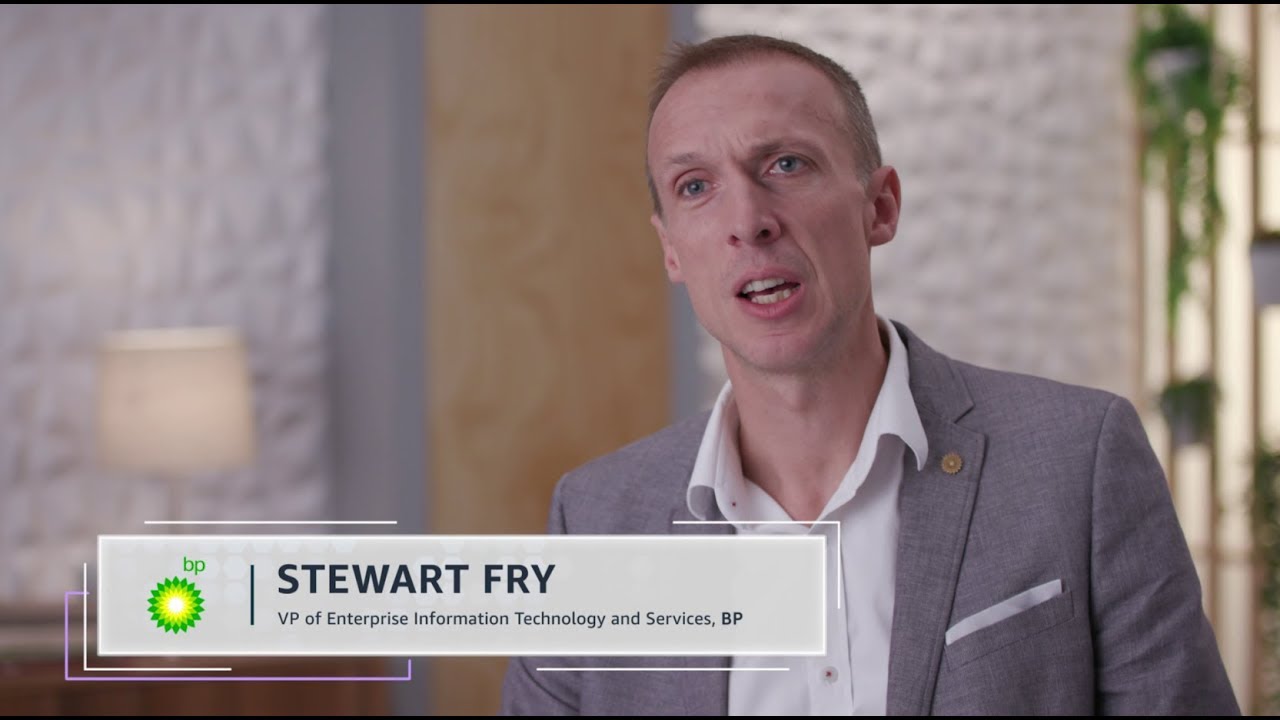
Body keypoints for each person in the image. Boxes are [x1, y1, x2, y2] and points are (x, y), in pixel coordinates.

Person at [501, 33, 1239, 715]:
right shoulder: (595, 522)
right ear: (670, 251)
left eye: (785, 165)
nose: (749, 220)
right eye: (696, 186)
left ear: (879, 206)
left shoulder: (1081, 459)